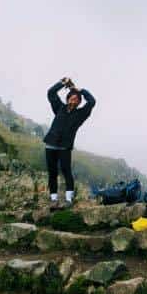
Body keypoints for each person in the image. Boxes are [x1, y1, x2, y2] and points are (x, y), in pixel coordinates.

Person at [43, 77, 95, 209]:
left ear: (78, 102)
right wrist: (62, 83)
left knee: (67, 171)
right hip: (50, 144)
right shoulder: (59, 108)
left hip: (65, 147)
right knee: (52, 172)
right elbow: (51, 93)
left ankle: (68, 200)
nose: (74, 99)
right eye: (72, 97)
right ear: (67, 98)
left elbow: (92, 101)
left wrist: (80, 90)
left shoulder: (81, 114)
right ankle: (53, 199)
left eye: (77, 99)